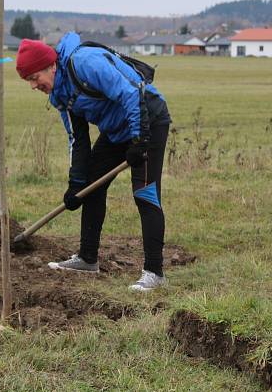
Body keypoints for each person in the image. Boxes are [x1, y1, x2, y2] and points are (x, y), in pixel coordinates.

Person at [15, 32, 172, 292]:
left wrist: (139, 140)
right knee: (91, 187)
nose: (33, 85)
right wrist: (75, 185)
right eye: (28, 81)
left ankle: (154, 273)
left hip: (148, 122)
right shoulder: (59, 95)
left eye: (34, 78)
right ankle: (87, 259)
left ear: (51, 66)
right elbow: (77, 139)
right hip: (116, 131)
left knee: (145, 193)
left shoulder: (85, 62)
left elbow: (131, 94)